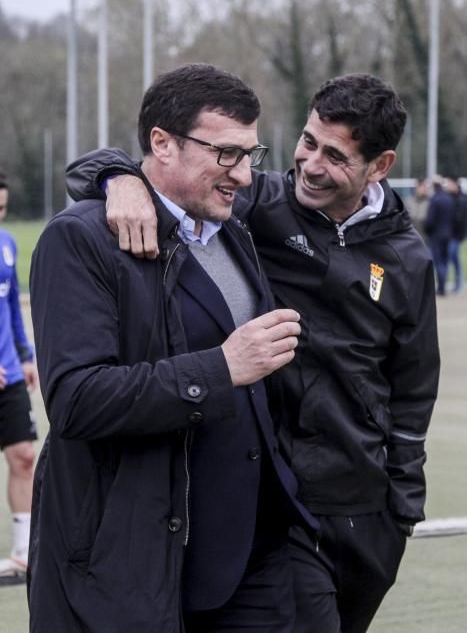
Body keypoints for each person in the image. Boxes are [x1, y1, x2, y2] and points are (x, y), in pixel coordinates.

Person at [67, 72, 440, 633]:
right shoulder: (255, 201)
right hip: (280, 500)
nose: (311, 164)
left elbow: (413, 389)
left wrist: (402, 510)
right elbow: (149, 167)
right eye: (309, 142)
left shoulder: (408, 260)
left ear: (379, 167)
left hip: (365, 505)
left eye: (336, 156)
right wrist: (117, 177)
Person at [29, 64, 318, 632]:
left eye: (250, 155)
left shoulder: (233, 227)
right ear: (161, 143)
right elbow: (75, 400)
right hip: (136, 562)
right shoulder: (80, 238)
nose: (244, 175)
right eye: (226, 154)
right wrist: (222, 368)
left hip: (253, 555)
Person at [0, 172, 38, 583]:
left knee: (24, 456)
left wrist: (26, 356)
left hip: (9, 374)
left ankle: (25, 554)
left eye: (2, 209)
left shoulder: (6, 246)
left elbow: (10, 308)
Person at [424, 175, 456, 296]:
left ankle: (441, 287)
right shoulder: (449, 199)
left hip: (436, 235)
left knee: (438, 262)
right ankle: (443, 285)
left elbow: (430, 220)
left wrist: (428, 230)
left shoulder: (435, 200)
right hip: (448, 234)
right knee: (445, 261)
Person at [444, 176, 467, 293]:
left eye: (450, 184)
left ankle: (459, 282)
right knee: (451, 256)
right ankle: (456, 282)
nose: (447, 186)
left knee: (453, 256)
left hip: (456, 235)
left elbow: (459, 219)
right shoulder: (451, 198)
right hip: (451, 234)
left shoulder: (461, 199)